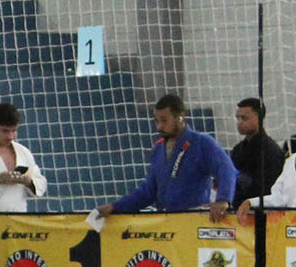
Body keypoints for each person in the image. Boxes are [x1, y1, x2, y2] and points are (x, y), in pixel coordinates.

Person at [98, 94, 238, 220]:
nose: (159, 127)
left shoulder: (202, 142)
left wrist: (222, 200)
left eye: (164, 121)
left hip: (194, 219)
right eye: (156, 121)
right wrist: (116, 206)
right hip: (166, 221)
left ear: (180, 117)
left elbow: (226, 169)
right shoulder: (158, 149)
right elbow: (148, 191)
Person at [227, 98, 282, 208]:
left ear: (258, 119)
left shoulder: (270, 151)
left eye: (244, 118)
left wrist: (241, 180)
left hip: (260, 210)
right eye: (238, 118)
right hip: (237, 208)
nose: (239, 122)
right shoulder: (238, 149)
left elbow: (269, 189)